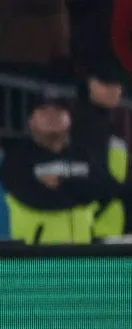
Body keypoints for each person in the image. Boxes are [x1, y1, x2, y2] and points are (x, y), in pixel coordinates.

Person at [0, 92, 113, 244]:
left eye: (59, 111)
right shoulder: (17, 158)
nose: (52, 116)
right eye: (45, 111)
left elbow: (104, 188)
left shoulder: (83, 155)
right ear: (31, 120)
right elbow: (36, 199)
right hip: (38, 258)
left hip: (83, 255)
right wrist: (79, 190)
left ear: (69, 120)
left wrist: (63, 184)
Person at [71, 60, 130, 237]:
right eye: (108, 84)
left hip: (111, 227)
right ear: (91, 85)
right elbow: (93, 176)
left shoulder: (107, 124)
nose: (117, 89)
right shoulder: (85, 125)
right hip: (95, 230)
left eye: (119, 84)